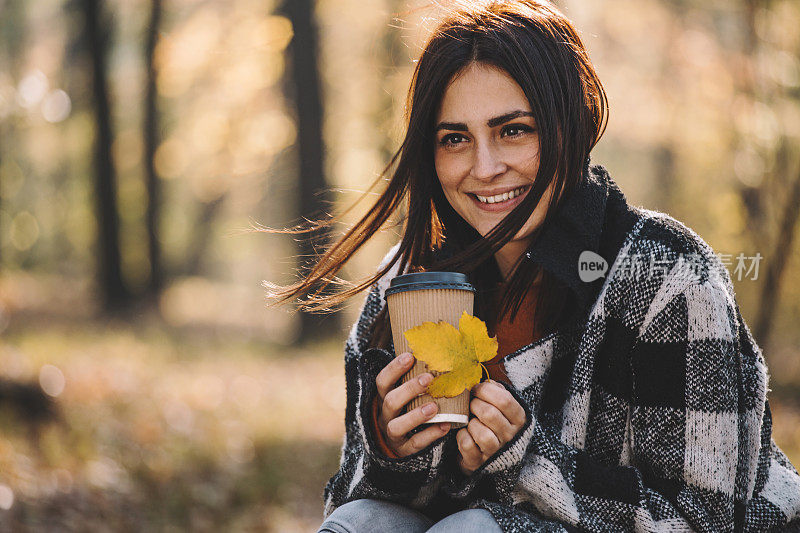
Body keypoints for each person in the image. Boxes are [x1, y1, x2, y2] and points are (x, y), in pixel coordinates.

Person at [265, 1, 800, 531]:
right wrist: (393, 448)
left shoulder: (667, 275)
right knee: (358, 524)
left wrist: (528, 459)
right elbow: (355, 494)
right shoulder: (407, 284)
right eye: (455, 139)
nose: (485, 167)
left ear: (571, 125)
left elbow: (705, 519)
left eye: (514, 130)